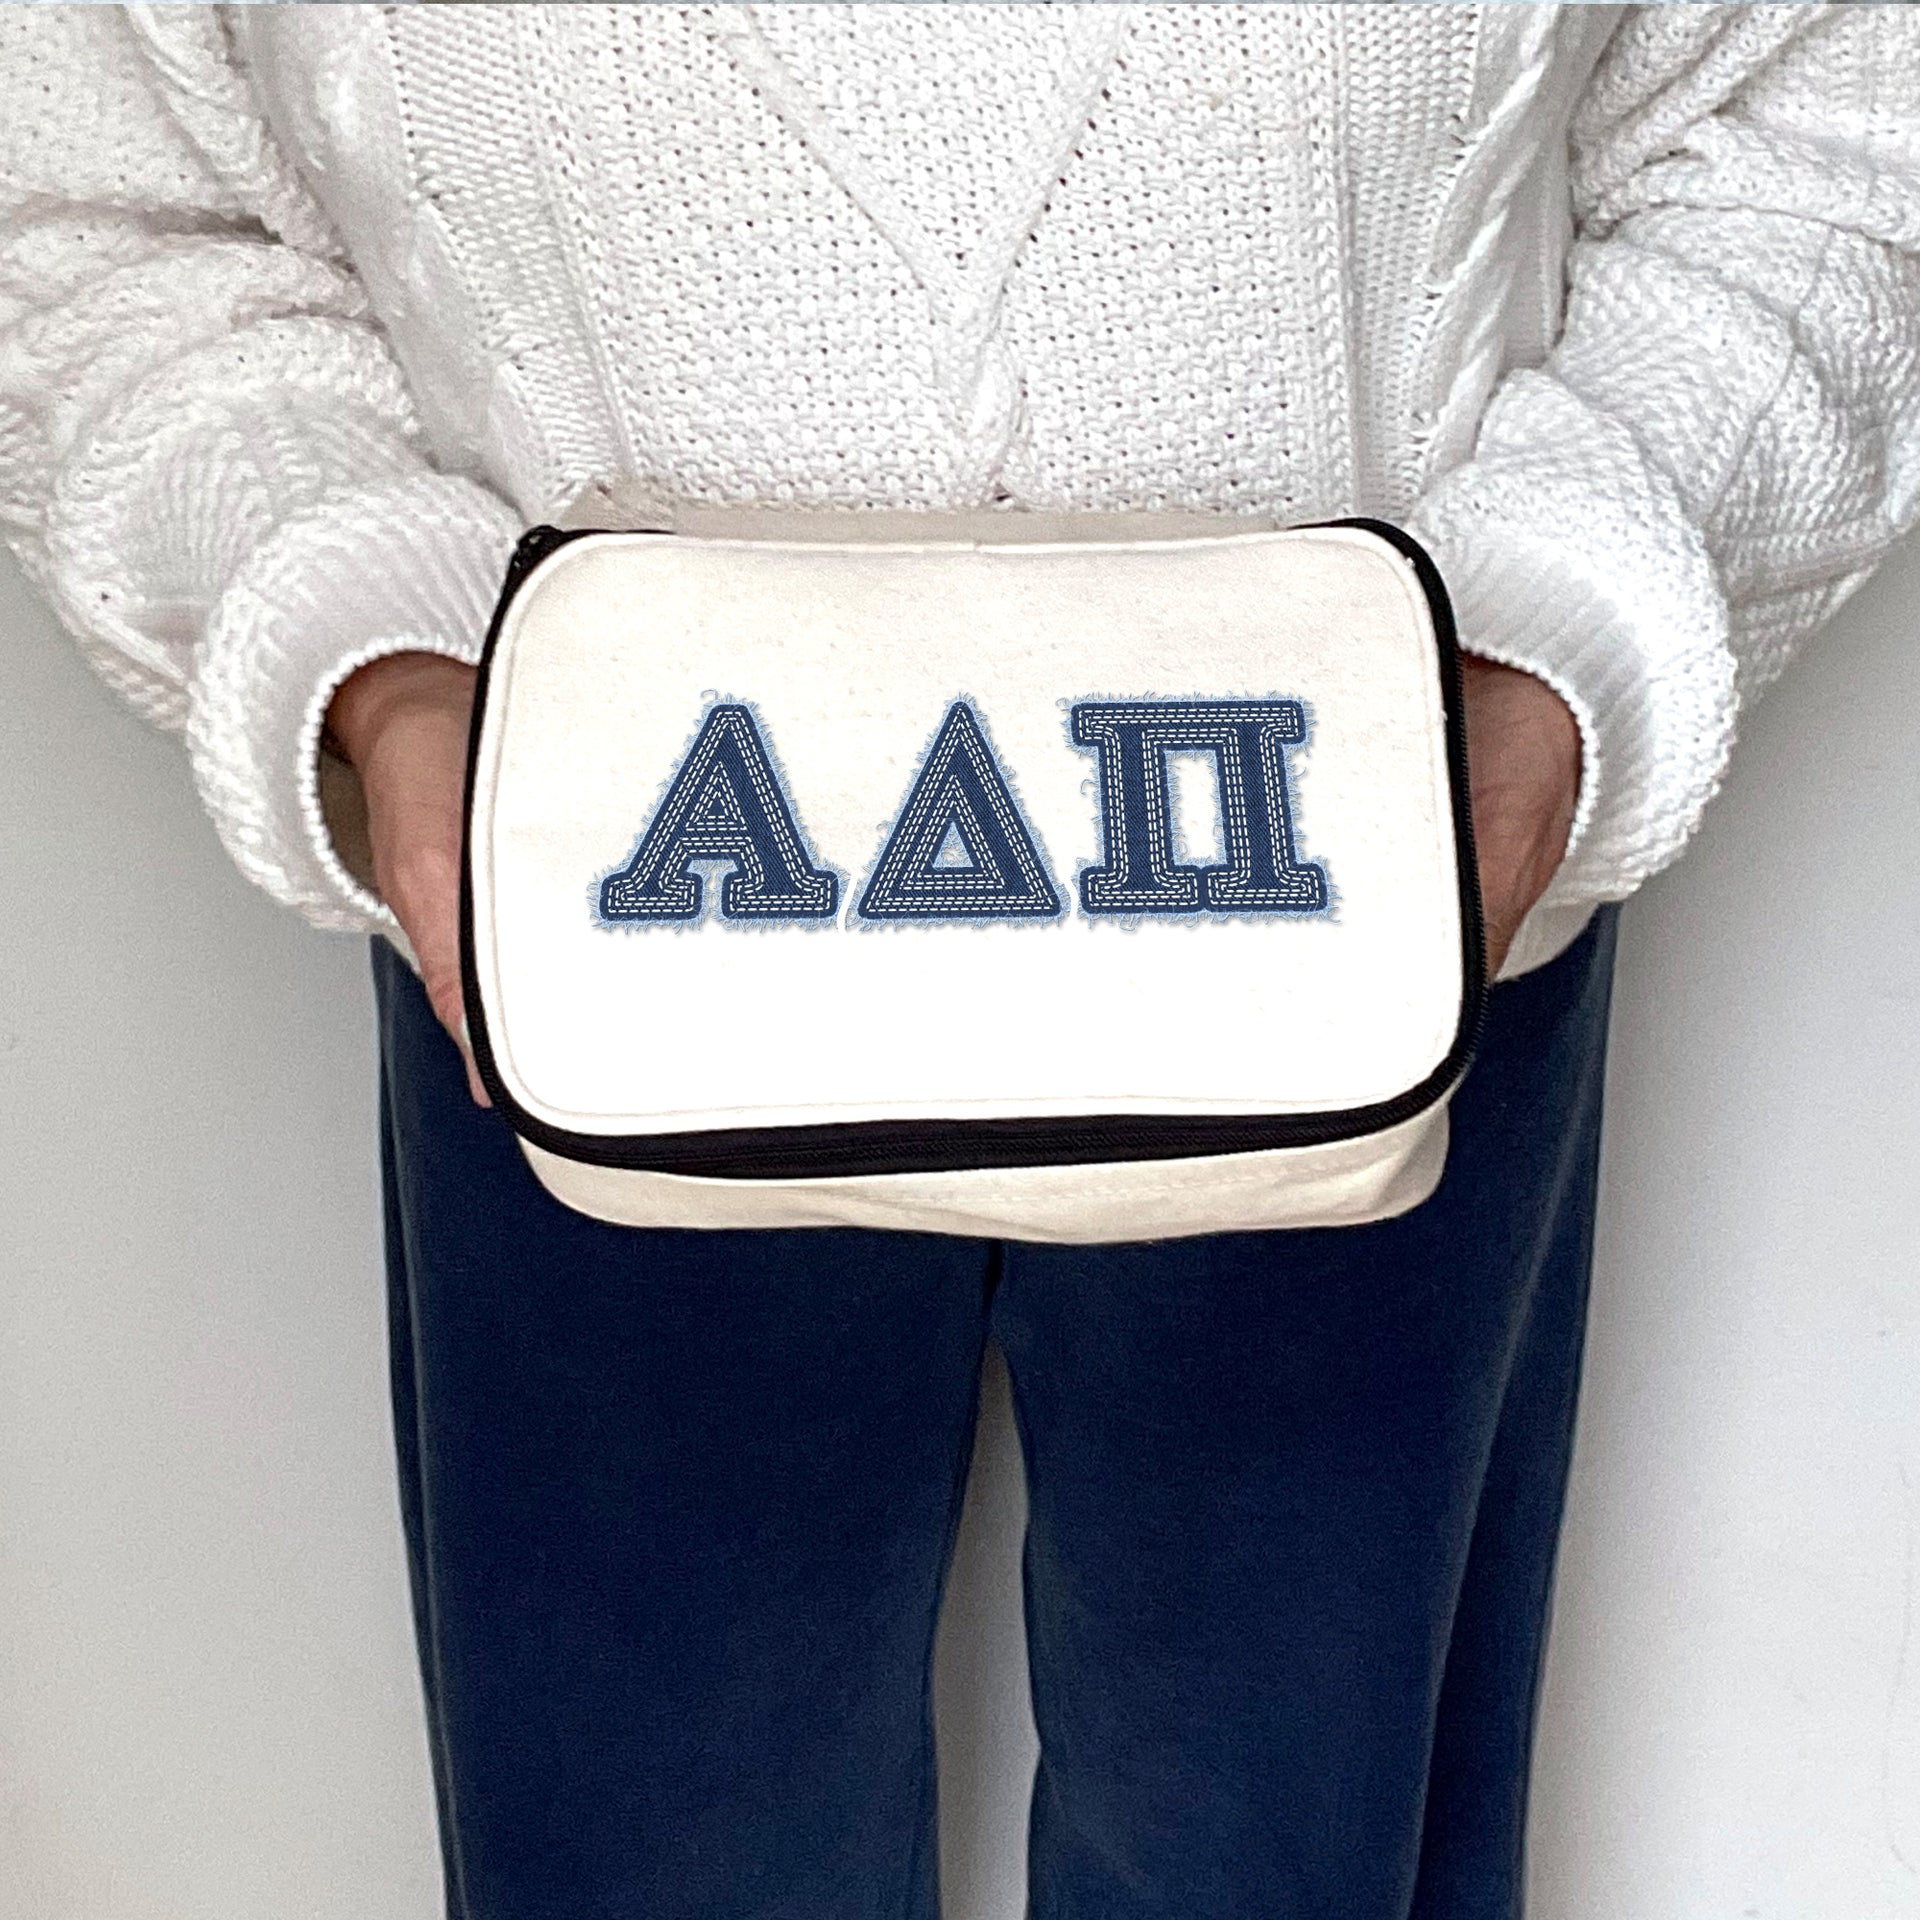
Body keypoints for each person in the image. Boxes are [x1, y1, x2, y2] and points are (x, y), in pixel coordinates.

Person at [4, 5, 1915, 1915]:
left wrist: (1557, 645)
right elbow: (95, 200)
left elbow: (1839, 103)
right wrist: (377, 656)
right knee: (651, 1856)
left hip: (1368, 873)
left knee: (1295, 1856)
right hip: (601, 907)